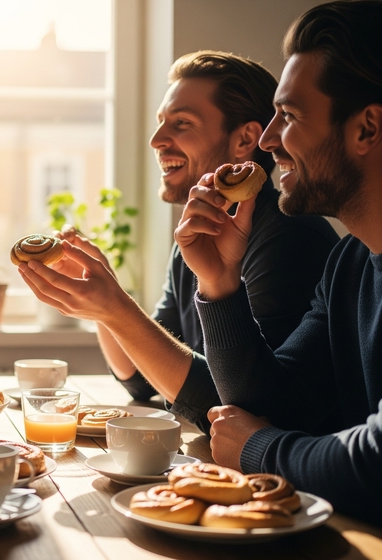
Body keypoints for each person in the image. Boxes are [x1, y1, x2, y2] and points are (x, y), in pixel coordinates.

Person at [17, 51, 339, 430]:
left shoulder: (288, 237)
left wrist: (117, 309)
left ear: (245, 139)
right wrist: (101, 303)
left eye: (182, 123)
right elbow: (139, 376)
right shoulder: (198, 236)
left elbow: (243, 408)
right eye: (160, 123)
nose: (156, 140)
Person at [175, 0, 382, 524]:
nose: (268, 141)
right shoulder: (350, 264)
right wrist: (219, 283)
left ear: (367, 129)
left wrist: (259, 449)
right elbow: (279, 405)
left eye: (287, 117)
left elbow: (376, 463)